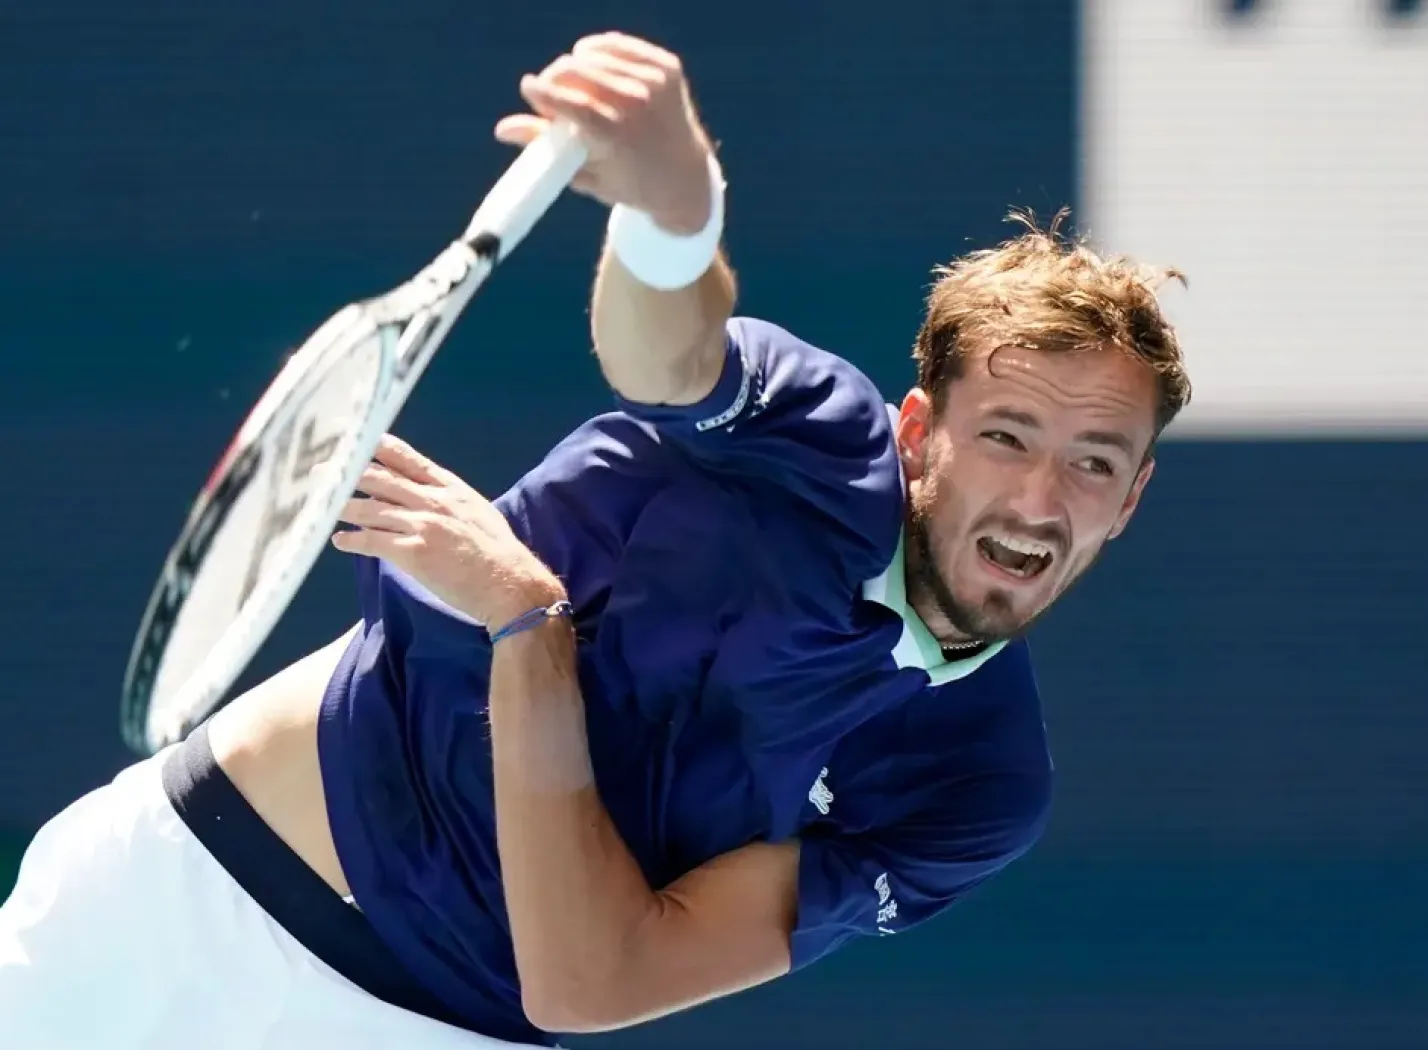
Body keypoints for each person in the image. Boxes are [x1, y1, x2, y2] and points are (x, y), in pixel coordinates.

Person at [0, 30, 1191, 1050]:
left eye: (1093, 463)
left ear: (1130, 499)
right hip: (176, 884)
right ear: (918, 429)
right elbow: (666, 354)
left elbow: (592, 979)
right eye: (1008, 438)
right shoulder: (815, 434)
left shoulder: (978, 783)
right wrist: (676, 215)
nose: (1043, 496)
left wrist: (529, 627)